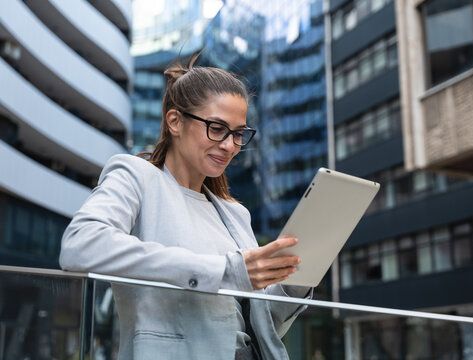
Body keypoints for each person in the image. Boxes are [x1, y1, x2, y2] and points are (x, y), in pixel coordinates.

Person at [59, 54, 312, 360]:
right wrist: (223, 270)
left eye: (237, 133)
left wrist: (296, 281)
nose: (230, 145)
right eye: (217, 128)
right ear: (175, 121)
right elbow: (79, 246)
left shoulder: (234, 214)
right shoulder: (137, 178)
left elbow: (259, 325)